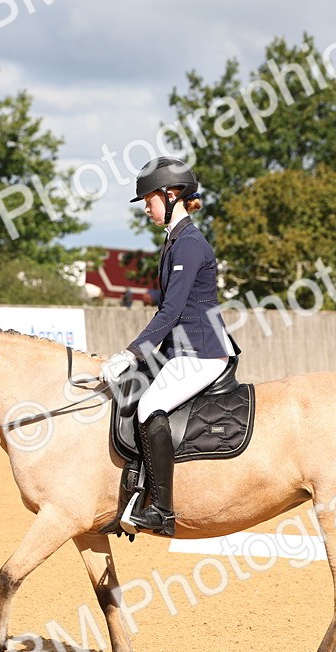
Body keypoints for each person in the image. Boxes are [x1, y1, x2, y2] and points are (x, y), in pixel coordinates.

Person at [99, 157, 238, 537]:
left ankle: (161, 508)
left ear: (172, 195)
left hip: (201, 351)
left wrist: (132, 353)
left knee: (148, 406)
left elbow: (172, 310)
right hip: (180, 348)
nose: (146, 207)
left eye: (149, 198)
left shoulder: (190, 244)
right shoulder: (174, 239)